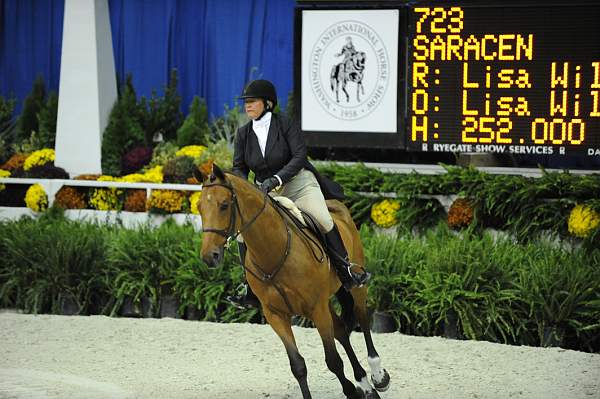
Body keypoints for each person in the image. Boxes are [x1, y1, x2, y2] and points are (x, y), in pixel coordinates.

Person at [227, 79, 371, 309]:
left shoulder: (285, 124)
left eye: (252, 102)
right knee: (244, 233)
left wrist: (277, 179)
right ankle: (249, 287)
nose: (248, 106)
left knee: (323, 219)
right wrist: (245, 188)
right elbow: (239, 167)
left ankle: (346, 270)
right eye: (246, 102)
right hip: (265, 191)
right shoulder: (244, 133)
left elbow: (299, 156)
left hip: (298, 183)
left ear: (268, 104)